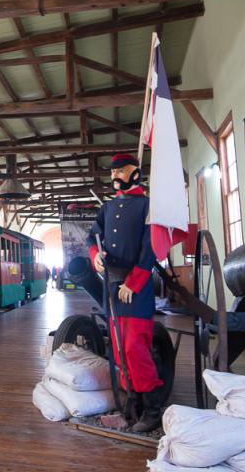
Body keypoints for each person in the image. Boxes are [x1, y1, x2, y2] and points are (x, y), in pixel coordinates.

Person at [87, 153, 163, 432]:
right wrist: (95, 255)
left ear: (134, 172)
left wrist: (135, 282)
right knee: (119, 350)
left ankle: (152, 410)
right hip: (111, 286)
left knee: (135, 348)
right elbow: (91, 236)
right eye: (113, 171)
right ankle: (133, 407)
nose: (115, 175)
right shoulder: (107, 208)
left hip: (136, 289)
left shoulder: (147, 206)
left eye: (121, 170)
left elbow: (151, 246)